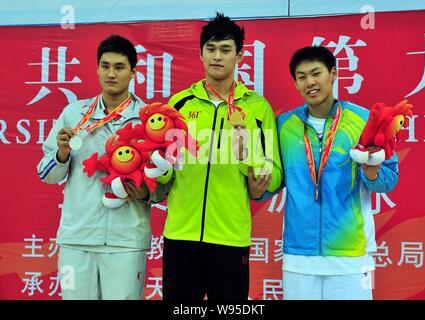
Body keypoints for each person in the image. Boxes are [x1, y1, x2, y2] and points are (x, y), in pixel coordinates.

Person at [37, 35, 170, 300]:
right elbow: (46, 174)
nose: (111, 73)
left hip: (125, 241)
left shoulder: (149, 119)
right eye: (105, 66)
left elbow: (165, 182)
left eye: (119, 67)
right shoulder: (74, 114)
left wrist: (145, 193)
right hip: (77, 239)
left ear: (133, 72)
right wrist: (62, 154)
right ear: (97, 68)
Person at [161, 12, 283, 300]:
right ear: (201, 53)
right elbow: (165, 166)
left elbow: (274, 175)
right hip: (180, 235)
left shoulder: (256, 108)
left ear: (239, 56)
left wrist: (249, 159)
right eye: (211, 49)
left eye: (226, 50)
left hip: (230, 238)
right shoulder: (178, 104)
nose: (218, 56)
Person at [276, 46, 399, 300]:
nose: (310, 82)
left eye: (316, 73)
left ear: (333, 73)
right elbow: (271, 181)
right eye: (301, 77)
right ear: (296, 83)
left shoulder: (364, 120)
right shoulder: (284, 126)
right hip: (299, 256)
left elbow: (389, 179)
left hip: (351, 255)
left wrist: (372, 174)